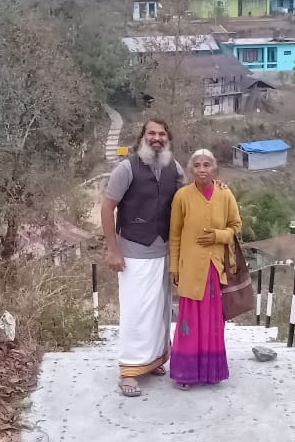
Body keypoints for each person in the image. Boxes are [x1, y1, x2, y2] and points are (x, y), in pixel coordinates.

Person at [100, 118, 185, 398]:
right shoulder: (126, 169)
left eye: (162, 133)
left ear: (167, 137)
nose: (157, 138)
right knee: (136, 311)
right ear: (142, 137)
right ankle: (129, 370)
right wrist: (113, 249)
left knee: (159, 311)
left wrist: (216, 188)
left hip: (163, 251)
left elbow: (189, 197)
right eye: (152, 133)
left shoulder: (174, 168)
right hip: (134, 250)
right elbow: (107, 208)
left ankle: (155, 359)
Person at [168, 149, 241, 390]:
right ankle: (185, 374)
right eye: (197, 165)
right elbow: (175, 234)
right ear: (191, 170)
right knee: (189, 322)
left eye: (206, 165)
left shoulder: (224, 194)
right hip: (189, 268)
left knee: (212, 323)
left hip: (214, 269)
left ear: (215, 168)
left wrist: (218, 236)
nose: (202, 169)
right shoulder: (182, 196)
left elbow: (235, 226)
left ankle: (211, 372)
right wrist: (174, 267)